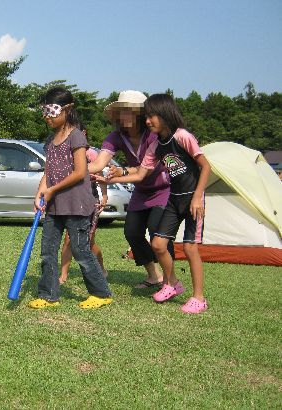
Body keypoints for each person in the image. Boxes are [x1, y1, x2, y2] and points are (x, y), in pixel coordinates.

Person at [109, 93, 211, 314]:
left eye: (152, 116)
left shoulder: (182, 136)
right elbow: (140, 175)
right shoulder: (156, 146)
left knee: (190, 247)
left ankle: (199, 298)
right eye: (146, 116)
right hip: (174, 198)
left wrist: (197, 197)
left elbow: (206, 166)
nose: (147, 121)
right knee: (157, 244)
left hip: (193, 198)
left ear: (165, 113)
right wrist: (111, 178)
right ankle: (172, 283)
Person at [28, 86, 112, 309]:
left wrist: (53, 190)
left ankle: (101, 294)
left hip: (77, 204)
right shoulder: (50, 140)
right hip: (55, 206)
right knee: (47, 251)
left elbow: (79, 172)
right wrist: (40, 193)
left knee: (80, 250)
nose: (47, 117)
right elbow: (49, 171)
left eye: (52, 112)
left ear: (67, 109)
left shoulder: (76, 136)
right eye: (44, 112)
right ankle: (48, 295)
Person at [88, 90, 177, 289]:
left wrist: (122, 170)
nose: (124, 116)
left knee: (157, 232)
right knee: (132, 232)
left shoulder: (154, 134)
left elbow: (147, 168)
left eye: (129, 111)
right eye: (121, 112)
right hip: (141, 190)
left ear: (140, 114)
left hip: (164, 189)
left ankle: (170, 281)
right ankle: (154, 275)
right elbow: (99, 162)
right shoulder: (116, 136)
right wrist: (73, 171)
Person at [59, 123, 108, 284]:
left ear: (84, 133)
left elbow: (101, 177)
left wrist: (104, 196)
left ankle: (100, 268)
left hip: (89, 201)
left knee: (88, 241)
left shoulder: (91, 154)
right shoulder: (65, 153)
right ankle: (63, 274)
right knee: (68, 239)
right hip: (71, 200)